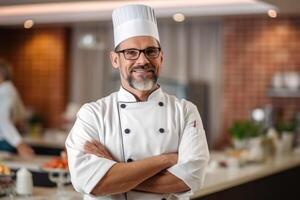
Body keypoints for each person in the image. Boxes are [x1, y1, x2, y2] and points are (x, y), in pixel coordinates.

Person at [66, 4, 209, 200]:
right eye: (131, 52)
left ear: (161, 57)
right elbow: (88, 181)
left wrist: (117, 170)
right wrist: (164, 161)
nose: (142, 60)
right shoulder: (92, 114)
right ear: (115, 60)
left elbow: (189, 179)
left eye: (150, 51)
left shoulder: (185, 111)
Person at [0, 59, 34, 157]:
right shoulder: (7, 91)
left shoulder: (7, 92)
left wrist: (19, 144)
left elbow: (2, 119)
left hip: (4, 142)